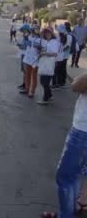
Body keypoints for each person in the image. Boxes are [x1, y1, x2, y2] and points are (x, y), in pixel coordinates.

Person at [41, 72, 87, 218]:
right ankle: (71, 210)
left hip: (83, 131)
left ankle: (66, 215)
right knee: (75, 175)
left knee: (66, 177)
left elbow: (76, 86)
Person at [37, 27, 59, 106]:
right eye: (45, 33)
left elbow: (55, 53)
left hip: (49, 64)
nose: (47, 34)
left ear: (51, 34)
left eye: (48, 33)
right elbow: (46, 50)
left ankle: (45, 99)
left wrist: (44, 53)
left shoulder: (54, 42)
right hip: (44, 63)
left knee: (45, 82)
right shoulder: (47, 42)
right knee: (43, 82)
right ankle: (49, 95)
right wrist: (41, 53)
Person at [20, 28, 41, 99]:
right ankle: (27, 89)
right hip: (28, 59)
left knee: (34, 76)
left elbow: (43, 48)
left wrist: (39, 47)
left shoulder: (41, 40)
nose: (33, 33)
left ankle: (32, 92)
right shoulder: (29, 37)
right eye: (32, 31)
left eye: (34, 31)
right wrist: (21, 45)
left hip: (35, 60)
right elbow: (25, 46)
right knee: (27, 75)